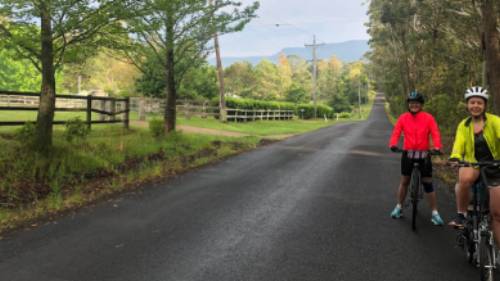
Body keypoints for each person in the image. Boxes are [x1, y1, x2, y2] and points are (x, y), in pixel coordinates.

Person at [448, 87, 500, 246]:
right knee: (464, 179)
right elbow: (458, 144)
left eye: (479, 102)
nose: (475, 106)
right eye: (472, 102)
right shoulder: (464, 125)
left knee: (496, 214)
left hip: (495, 165)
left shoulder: (495, 121)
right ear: (467, 105)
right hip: (472, 162)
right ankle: (462, 215)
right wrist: (455, 157)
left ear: (485, 105)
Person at [389, 91, 444, 225]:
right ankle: (399, 207)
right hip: (408, 153)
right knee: (405, 181)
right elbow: (396, 132)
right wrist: (393, 144)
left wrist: (437, 146)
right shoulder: (403, 118)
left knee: (427, 183)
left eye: (417, 103)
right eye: (411, 103)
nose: (414, 105)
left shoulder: (428, 118)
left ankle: (435, 213)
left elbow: (435, 132)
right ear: (408, 105)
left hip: (424, 154)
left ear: (421, 105)